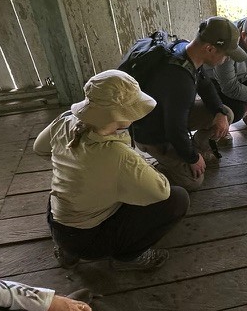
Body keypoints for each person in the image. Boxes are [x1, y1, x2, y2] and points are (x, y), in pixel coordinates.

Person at [34, 69, 189, 271]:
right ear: (118, 115)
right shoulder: (119, 156)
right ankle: (131, 255)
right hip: (89, 240)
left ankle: (66, 251)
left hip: (57, 221)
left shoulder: (65, 121)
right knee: (177, 199)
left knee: (72, 182)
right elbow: (161, 191)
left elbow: (40, 148)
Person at [128, 16, 241, 190]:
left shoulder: (184, 49)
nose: (227, 59)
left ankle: (193, 150)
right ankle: (150, 172)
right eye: (226, 54)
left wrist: (219, 111)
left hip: (168, 116)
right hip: (150, 133)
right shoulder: (179, 81)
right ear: (210, 48)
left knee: (226, 113)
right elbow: (175, 129)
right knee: (193, 181)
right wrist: (192, 158)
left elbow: (205, 84)